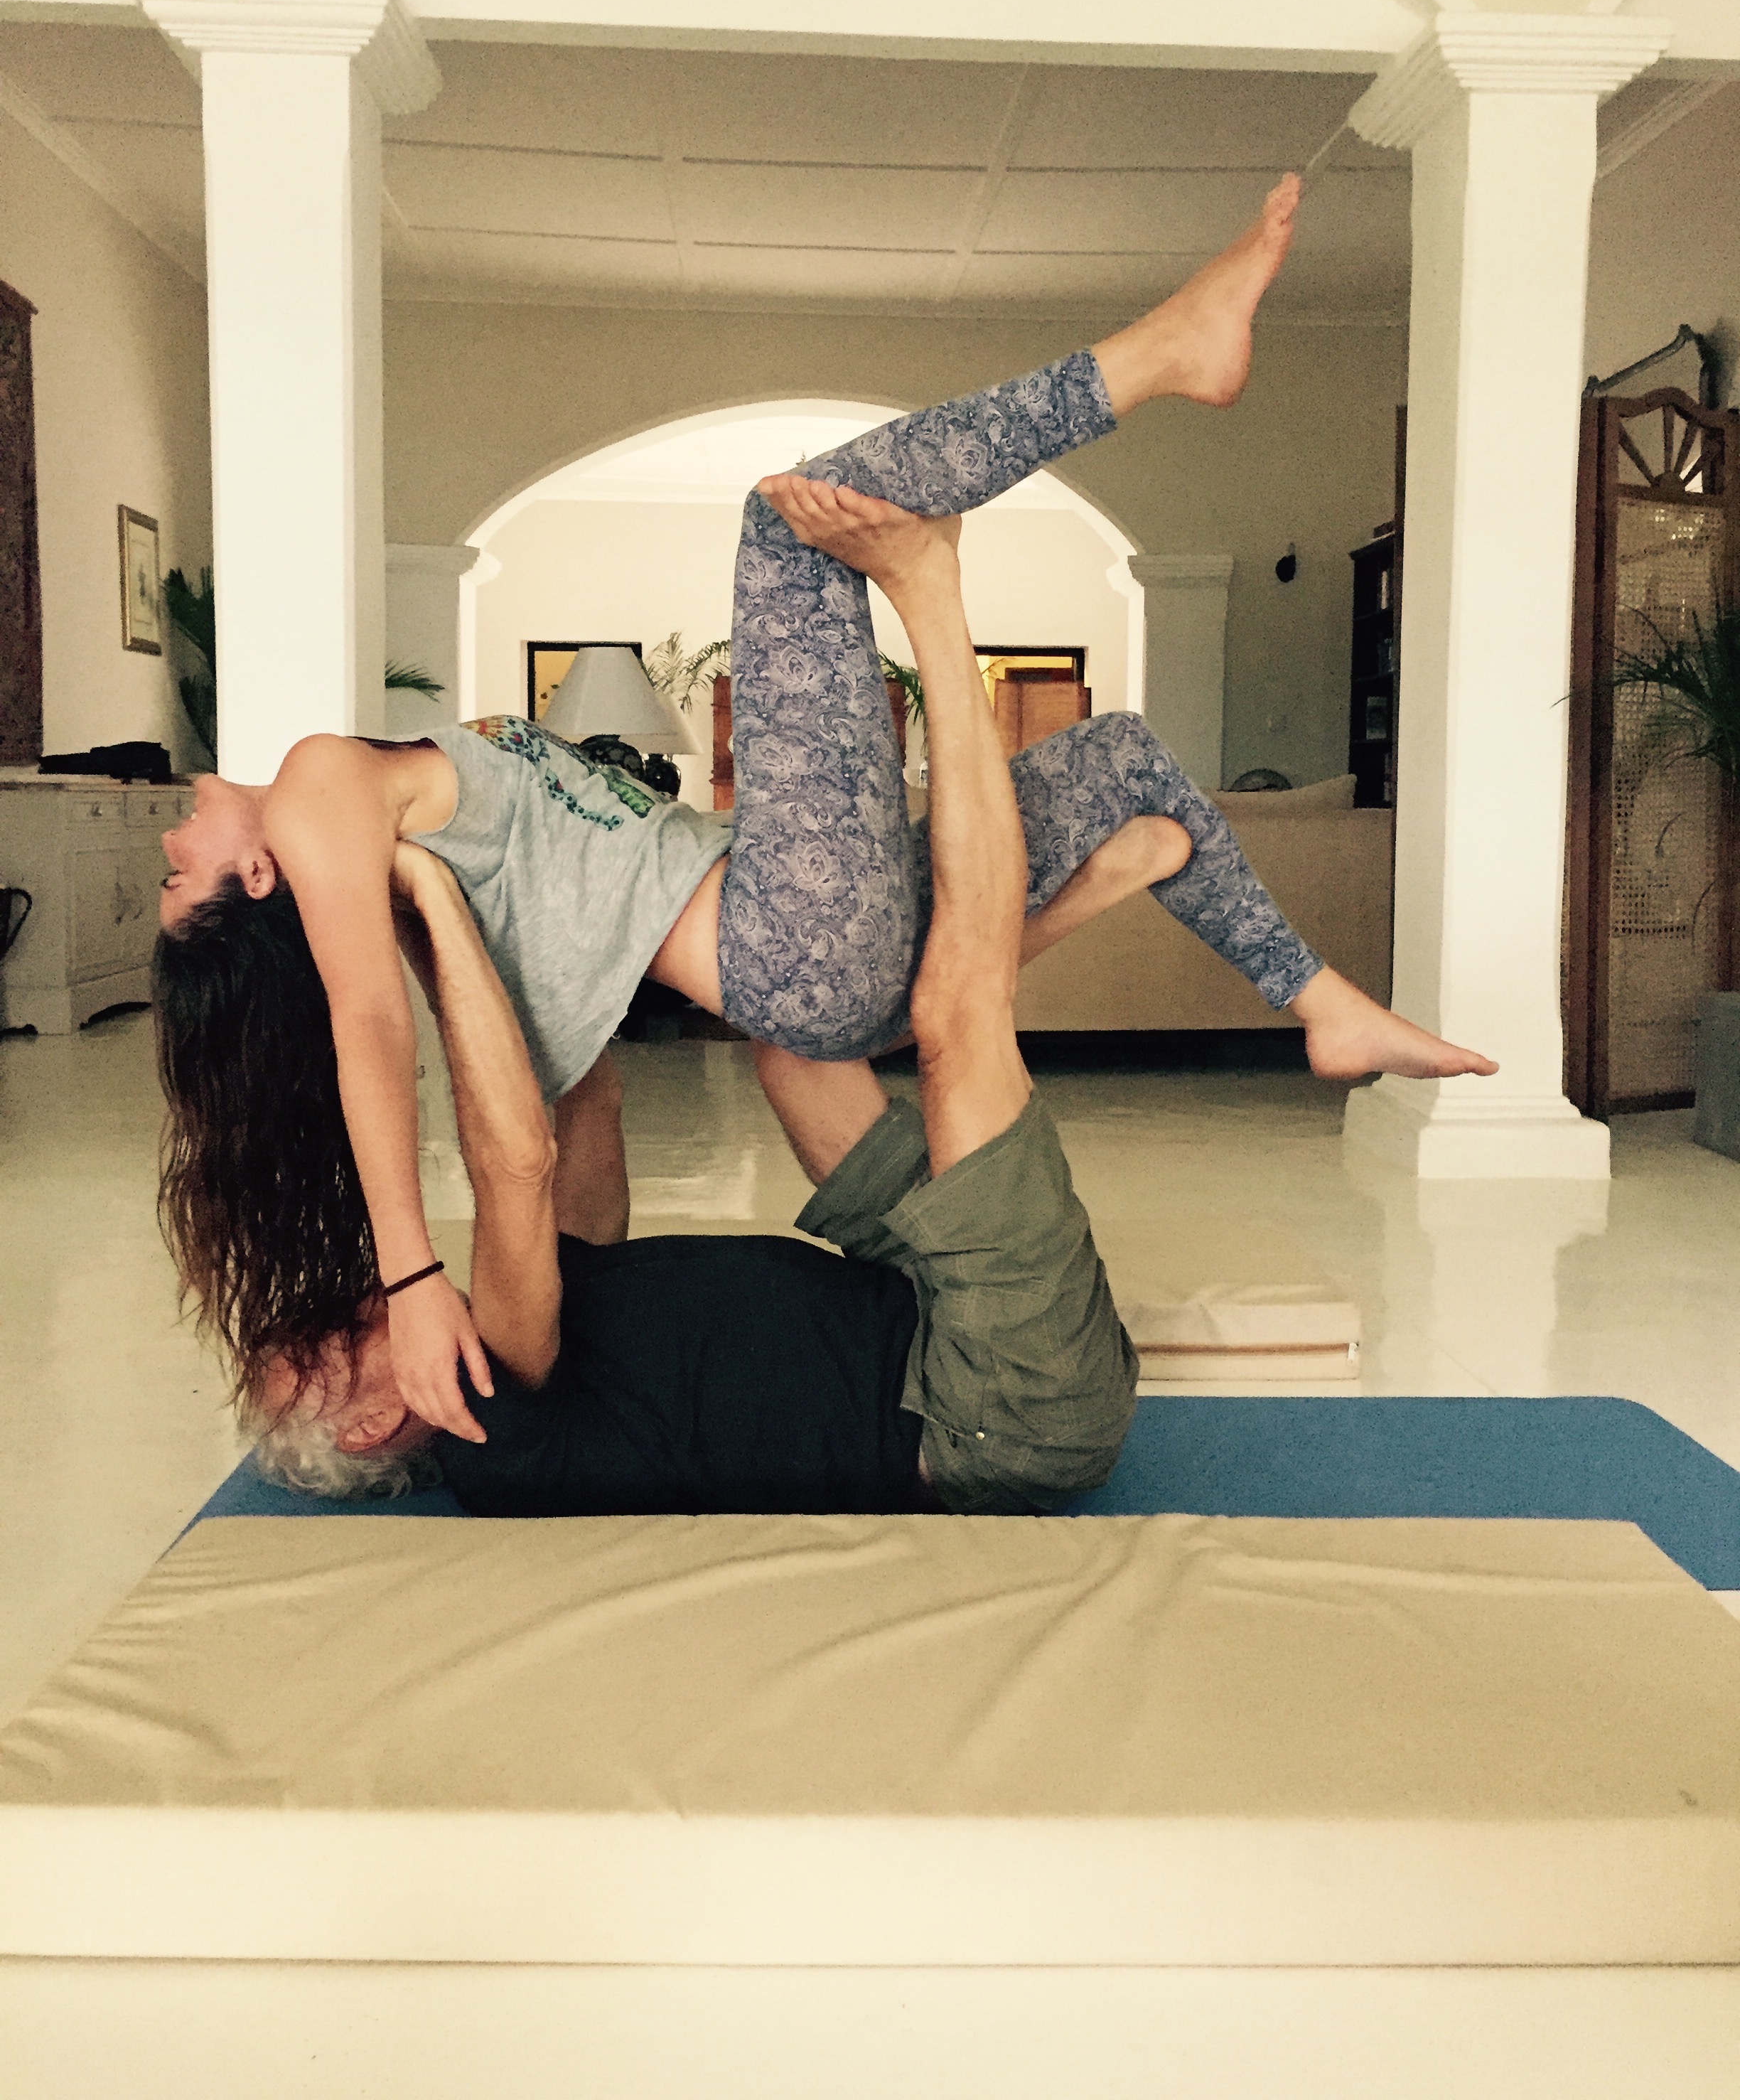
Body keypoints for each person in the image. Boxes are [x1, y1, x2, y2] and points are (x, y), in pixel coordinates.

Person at [157, 176, 1495, 1440]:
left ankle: (1319, 1000)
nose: (169, 841)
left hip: (811, 960)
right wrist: (409, 1280)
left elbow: (580, 1124)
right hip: (792, 942)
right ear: (262, 879)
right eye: (180, 878)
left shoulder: (439, 892)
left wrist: (575, 1305)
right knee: (784, 529)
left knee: (1123, 762)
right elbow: (368, 1028)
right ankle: (1158, 354)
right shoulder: (318, 793)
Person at [250, 487, 1146, 1516]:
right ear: (372, 1425)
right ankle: (934, 596)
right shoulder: (493, 1437)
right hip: (1003, 1406)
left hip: (933, 1306)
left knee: (792, 1040)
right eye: (322, 1346)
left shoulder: (543, 1314)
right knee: (956, 1016)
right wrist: (427, 885)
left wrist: (475, 904)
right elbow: (514, 1161)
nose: (346, 1305)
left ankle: (1081, 887)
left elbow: (582, 1103)